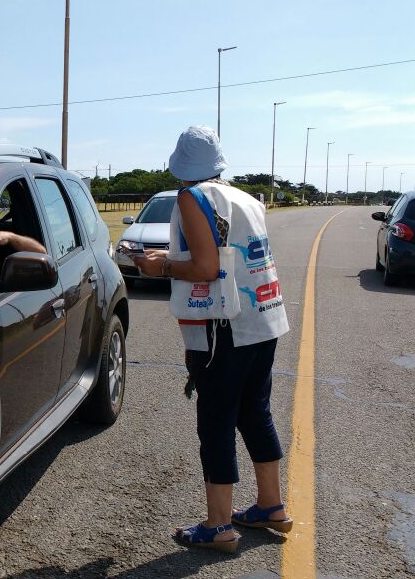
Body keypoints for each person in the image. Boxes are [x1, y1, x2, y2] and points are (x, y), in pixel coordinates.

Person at [133, 125, 291, 554]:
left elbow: (204, 268)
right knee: (255, 412)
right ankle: (271, 506)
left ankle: (219, 525)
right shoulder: (247, 199)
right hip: (265, 319)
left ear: (181, 165)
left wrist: (160, 267)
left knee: (216, 421)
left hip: (225, 326)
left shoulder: (192, 197)